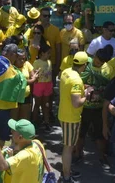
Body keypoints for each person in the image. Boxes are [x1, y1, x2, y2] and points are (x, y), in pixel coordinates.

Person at [58, 51, 92, 183]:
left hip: (63, 113)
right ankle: (66, 176)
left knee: (68, 146)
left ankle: (67, 170)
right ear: (84, 65)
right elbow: (77, 103)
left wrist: (82, 88)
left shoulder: (67, 72)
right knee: (68, 147)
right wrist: (87, 94)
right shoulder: (76, 79)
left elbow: (69, 89)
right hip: (71, 117)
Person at [32, 42, 53, 129]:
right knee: (37, 104)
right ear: (42, 53)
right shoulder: (37, 62)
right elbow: (33, 72)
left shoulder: (49, 62)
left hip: (47, 84)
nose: (49, 55)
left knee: (46, 104)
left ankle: (46, 122)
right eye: (48, 53)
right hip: (39, 84)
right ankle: (34, 122)